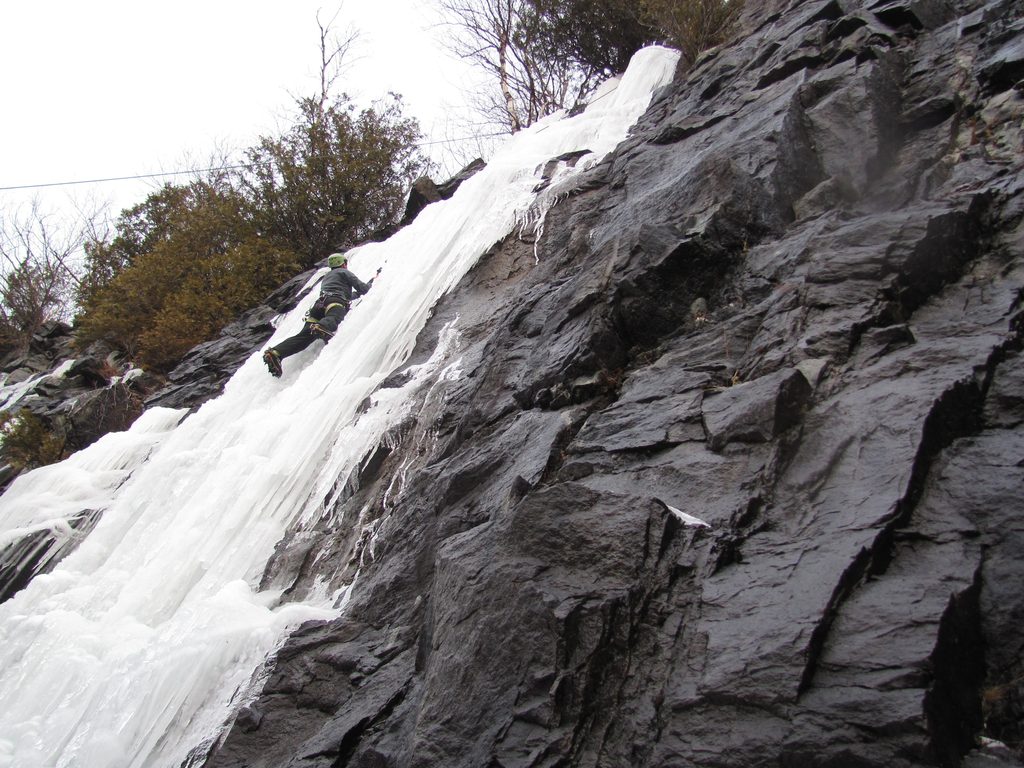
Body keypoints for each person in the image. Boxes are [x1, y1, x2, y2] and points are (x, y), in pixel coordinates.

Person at [262, 252, 378, 377]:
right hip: (334, 303)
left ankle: (276, 352)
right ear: (343, 264)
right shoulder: (344, 272)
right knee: (335, 317)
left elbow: (348, 296)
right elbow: (363, 289)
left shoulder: (327, 277)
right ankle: (322, 326)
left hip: (319, 307)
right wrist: (374, 282)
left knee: (303, 338)